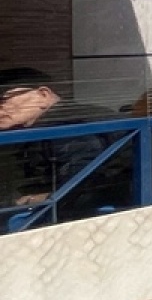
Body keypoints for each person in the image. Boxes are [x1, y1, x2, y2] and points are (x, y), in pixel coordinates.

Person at [0, 67, 125, 217]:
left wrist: (44, 198)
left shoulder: (66, 126)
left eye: (3, 100)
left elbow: (82, 183)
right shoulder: (52, 122)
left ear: (43, 95)